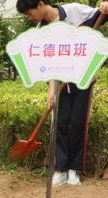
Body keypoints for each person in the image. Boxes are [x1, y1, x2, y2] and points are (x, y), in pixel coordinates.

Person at [16, 0, 108, 186]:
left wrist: (104, 8)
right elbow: (50, 64)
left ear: (40, 4)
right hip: (61, 83)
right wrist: (52, 90)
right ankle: (61, 169)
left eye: (29, 13)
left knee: (77, 123)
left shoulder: (74, 11)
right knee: (61, 122)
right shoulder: (43, 31)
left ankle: (74, 170)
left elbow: (99, 16)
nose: (30, 18)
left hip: (83, 79)